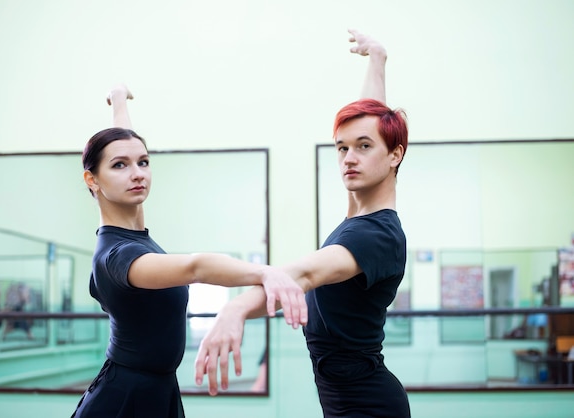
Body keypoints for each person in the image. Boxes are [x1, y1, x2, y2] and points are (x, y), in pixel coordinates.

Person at [194, 29, 411, 418]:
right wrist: (377, 60)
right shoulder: (359, 211)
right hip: (345, 400)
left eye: (363, 147)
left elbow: (303, 275)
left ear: (395, 155)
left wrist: (236, 309)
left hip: (368, 406)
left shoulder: (376, 236)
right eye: (342, 148)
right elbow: (373, 121)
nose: (348, 157)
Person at [70, 87, 307, 418]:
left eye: (144, 162)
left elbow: (120, 141)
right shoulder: (117, 256)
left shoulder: (134, 234)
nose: (137, 172)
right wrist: (265, 272)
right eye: (120, 165)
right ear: (92, 180)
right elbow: (197, 267)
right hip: (124, 400)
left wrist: (119, 104)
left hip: (158, 390)